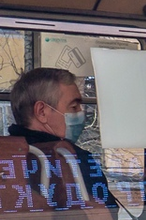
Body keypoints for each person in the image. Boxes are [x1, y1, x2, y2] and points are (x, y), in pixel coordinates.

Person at [8, 67, 112, 208]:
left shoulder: (7, 156)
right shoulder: (73, 159)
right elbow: (108, 214)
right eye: (74, 107)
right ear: (42, 112)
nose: (81, 113)